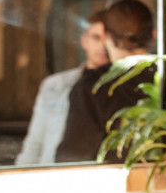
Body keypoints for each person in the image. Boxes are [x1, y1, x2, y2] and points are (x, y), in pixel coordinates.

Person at [55, 0, 154, 163]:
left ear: (105, 35)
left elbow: (74, 158)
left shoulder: (94, 86)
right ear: (153, 35)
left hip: (117, 186)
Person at [15, 14, 110, 165]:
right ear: (84, 41)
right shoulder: (55, 85)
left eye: (108, 39)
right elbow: (34, 142)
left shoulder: (120, 89)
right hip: (52, 174)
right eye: (96, 37)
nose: (102, 46)